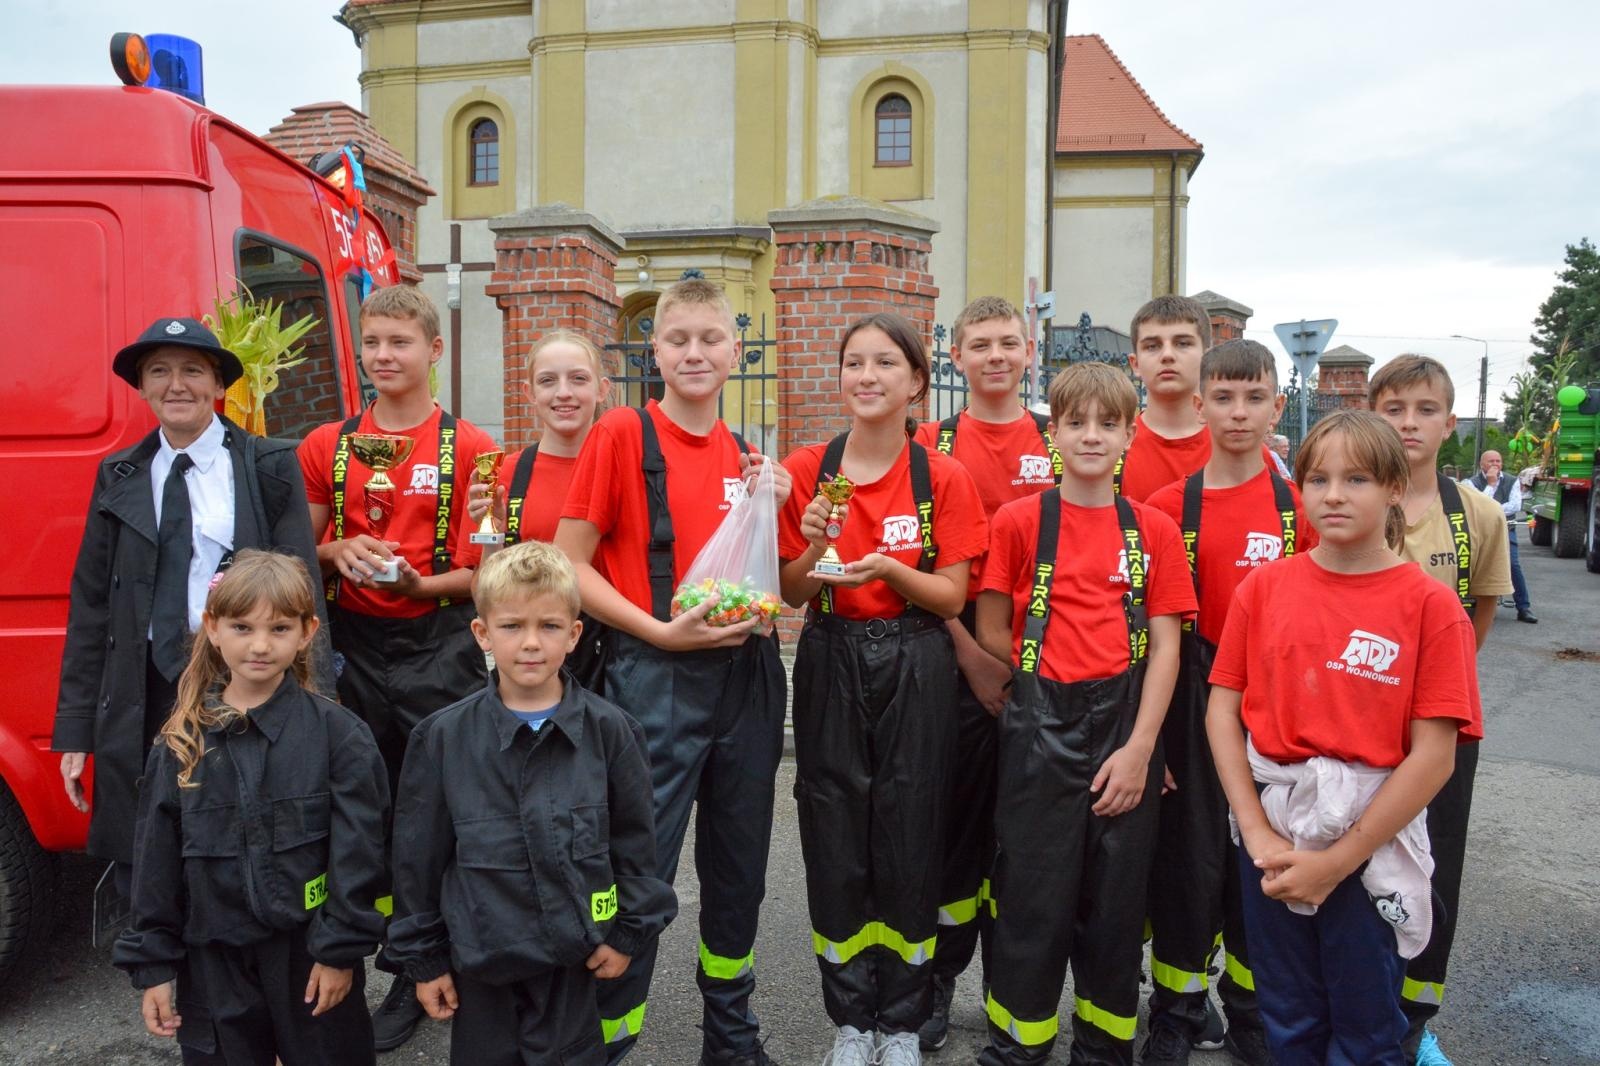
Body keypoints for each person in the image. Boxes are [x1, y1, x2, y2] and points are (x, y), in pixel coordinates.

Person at [554, 278, 791, 1066]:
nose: (695, 353)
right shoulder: (623, 432)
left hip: (747, 682)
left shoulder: (747, 455)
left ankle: (731, 1035)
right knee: (638, 866)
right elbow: (567, 564)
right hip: (652, 679)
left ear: (736, 350)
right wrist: (662, 630)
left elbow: (770, 580)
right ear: (652, 352)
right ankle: (607, 1039)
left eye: (710, 339)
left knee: (739, 867)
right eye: (677, 339)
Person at [1205, 410, 1482, 1065]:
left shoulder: (1431, 607)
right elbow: (1223, 712)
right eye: (1318, 478)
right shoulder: (1264, 588)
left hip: (1369, 844)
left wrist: (1338, 862)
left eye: (1356, 478)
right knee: (1288, 1015)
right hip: (1272, 836)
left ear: (1394, 487)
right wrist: (1260, 834)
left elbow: (1435, 757)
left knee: (1366, 1024)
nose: (1333, 494)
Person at [54, 316, 326, 903]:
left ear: (217, 385)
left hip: (242, 679)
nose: (176, 385)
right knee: (151, 849)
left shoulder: (267, 464)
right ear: (143, 386)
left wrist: (316, 706)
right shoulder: (118, 474)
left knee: (241, 839)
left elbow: (304, 595)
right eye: (160, 372)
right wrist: (76, 730)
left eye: (192, 372)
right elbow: (92, 607)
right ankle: (162, 978)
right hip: (146, 690)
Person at [778, 312, 988, 1066]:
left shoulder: (943, 476)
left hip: (916, 656)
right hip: (832, 653)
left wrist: (892, 570)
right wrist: (813, 544)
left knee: (909, 830)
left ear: (917, 384)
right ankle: (850, 1018)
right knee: (834, 830)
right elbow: (792, 594)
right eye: (854, 363)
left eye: (885, 364)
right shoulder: (809, 467)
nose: (867, 377)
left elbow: (954, 596)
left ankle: (901, 1018)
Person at [297, 284, 499, 1050]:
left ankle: (437, 961)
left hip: (438, 644)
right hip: (351, 647)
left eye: (400, 343)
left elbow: (487, 569)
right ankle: (382, 963)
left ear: (433, 351)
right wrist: (334, 552)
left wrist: (421, 583)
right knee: (361, 809)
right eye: (372, 343)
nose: (384, 356)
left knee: (438, 811)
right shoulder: (327, 445)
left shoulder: (474, 449)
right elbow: (298, 552)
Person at [975, 362, 1194, 1066]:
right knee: (1031, 899)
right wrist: (1026, 709)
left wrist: (1141, 750)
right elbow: (991, 626)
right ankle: (1020, 1043)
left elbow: (1167, 649)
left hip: (1125, 727)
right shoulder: (1018, 522)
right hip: (1039, 727)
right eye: (1077, 422)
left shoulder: (1154, 530)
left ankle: (1102, 1048)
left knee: (1115, 907)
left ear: (1131, 433)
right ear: (1054, 433)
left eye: (1108, 423)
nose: (1092, 436)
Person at [388, 541, 676, 1065]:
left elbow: (636, 843)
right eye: (512, 626)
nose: (530, 643)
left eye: (548, 626)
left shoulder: (612, 732)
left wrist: (630, 932)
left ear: (574, 634)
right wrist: (424, 961)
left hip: (575, 962)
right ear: (482, 634)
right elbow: (417, 862)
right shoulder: (442, 739)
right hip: (482, 965)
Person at [112, 550, 389, 1065]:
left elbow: (360, 857)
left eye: (279, 628)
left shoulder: (339, 738)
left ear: (307, 633)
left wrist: (339, 952)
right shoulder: (180, 745)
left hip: (307, 959)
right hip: (213, 963)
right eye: (242, 626)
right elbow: (155, 864)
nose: (260, 645)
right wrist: (154, 966)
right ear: (212, 629)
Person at [1141, 340, 1316, 1066]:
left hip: (1272, 703)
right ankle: (1176, 1014)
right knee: (1187, 865)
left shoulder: (1301, 509)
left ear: (1278, 406)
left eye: (1255, 399)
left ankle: (1252, 1012)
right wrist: (1148, 742)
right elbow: (1143, 633)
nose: (1239, 413)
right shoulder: (1161, 508)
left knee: (1264, 861)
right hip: (1188, 691)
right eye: (1225, 398)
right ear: (1201, 403)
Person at [907, 296, 1058, 1051]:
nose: (995, 356)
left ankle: (1014, 990)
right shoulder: (933, 441)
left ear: (1028, 352)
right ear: (955, 357)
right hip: (956, 658)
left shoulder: (1060, 443)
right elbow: (925, 566)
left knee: (1030, 839)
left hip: (1050, 663)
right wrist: (971, 656)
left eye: (1008, 343)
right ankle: (939, 982)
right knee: (955, 831)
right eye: (979, 344)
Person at [1370, 355, 1511, 1066]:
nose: (1408, 423)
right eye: (1393, 408)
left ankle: (1414, 1024)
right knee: (1359, 866)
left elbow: (1478, 620)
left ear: (1450, 423)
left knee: (1433, 873)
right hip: (1361, 726)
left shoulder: (1479, 516)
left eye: (1425, 409)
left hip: (1442, 731)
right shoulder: (1354, 500)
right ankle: (1357, 1005)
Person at [467, 329, 614, 684]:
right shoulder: (504, 474)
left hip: (615, 655)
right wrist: (493, 537)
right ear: (529, 393)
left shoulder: (629, 468)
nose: (563, 392)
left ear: (602, 389)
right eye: (548, 381)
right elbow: (483, 593)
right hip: (534, 657)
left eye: (578, 379)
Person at [1118, 295, 1215, 502]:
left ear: (1207, 358)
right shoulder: (1110, 449)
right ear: (1135, 363)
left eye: (1182, 343)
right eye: (1152, 346)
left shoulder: (1242, 450)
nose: (1167, 355)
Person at [1466, 449, 1536, 623]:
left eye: (1498, 461)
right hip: (1479, 530)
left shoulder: (1513, 481)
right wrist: (1490, 484)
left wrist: (1492, 509)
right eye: (1491, 461)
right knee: (1469, 564)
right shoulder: (1469, 483)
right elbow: (1476, 506)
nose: (1495, 464)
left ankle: (1523, 607)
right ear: (1481, 464)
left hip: (1506, 528)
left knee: (1513, 564)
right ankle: (1464, 606)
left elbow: (1515, 505)